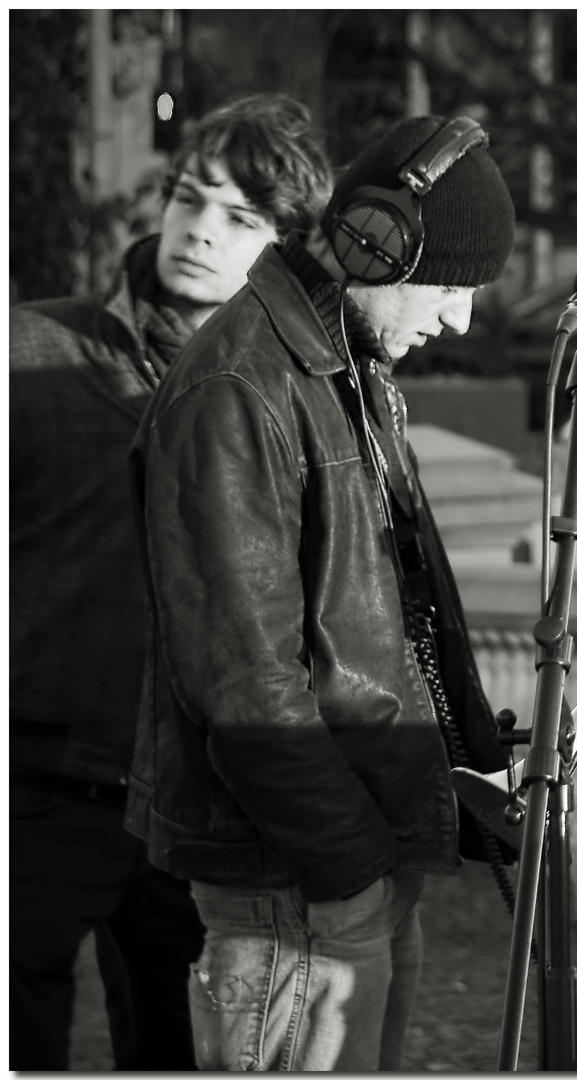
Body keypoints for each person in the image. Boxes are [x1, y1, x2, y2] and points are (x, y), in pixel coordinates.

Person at [126, 113, 516, 1071]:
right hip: (299, 879)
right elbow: (245, 683)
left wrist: (466, 761)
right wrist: (347, 867)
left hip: (350, 855)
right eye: (453, 287)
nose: (459, 319)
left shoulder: (346, 363)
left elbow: (387, 610)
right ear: (370, 243)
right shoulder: (238, 389)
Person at [9, 93, 333, 1071]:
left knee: (183, 1056)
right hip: (34, 787)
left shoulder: (294, 391)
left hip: (203, 804)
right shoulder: (28, 352)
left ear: (286, 242)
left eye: (241, 217)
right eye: (192, 198)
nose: (199, 231)